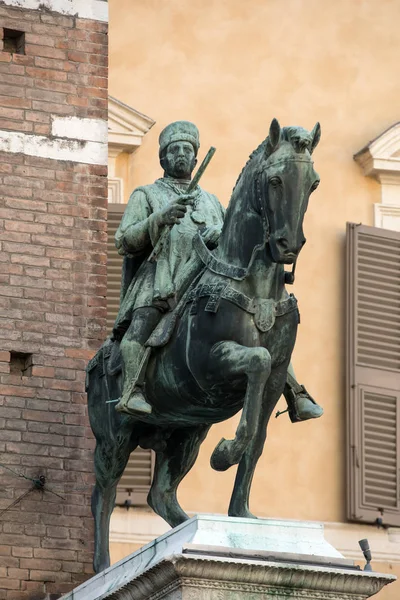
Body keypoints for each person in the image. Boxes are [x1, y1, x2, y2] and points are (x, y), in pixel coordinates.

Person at [112, 120, 323, 422]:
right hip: (164, 275)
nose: (181, 155)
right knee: (140, 328)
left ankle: (294, 390)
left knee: (265, 322)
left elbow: (230, 237)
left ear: (197, 158)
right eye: (174, 150)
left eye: (187, 149)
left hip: (205, 275)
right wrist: (159, 219)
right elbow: (124, 240)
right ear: (163, 158)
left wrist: (217, 234)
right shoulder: (146, 195)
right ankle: (133, 390)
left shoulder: (210, 201)